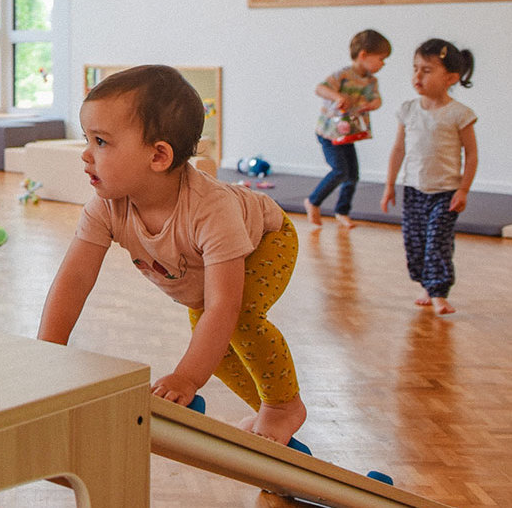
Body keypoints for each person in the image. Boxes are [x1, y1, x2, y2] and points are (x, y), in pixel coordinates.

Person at [38, 65, 306, 445]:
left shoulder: (211, 210)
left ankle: (283, 407)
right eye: (87, 139)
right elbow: (74, 281)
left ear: (159, 156)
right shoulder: (106, 207)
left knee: (238, 318)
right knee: (214, 342)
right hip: (207, 264)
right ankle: (268, 409)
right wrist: (46, 353)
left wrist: (186, 379)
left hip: (266, 239)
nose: (85, 154)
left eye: (101, 142)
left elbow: (223, 305)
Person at [381, 40, 477, 316]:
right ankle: (426, 285)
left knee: (437, 241)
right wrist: (389, 185)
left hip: (446, 192)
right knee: (415, 242)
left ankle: (438, 292)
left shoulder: (459, 114)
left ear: (450, 78)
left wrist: (463, 190)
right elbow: (398, 149)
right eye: (415, 69)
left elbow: (471, 154)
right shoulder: (408, 110)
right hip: (414, 189)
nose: (417, 76)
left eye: (426, 70)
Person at [303, 29, 390, 229]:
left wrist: (372, 105)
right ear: (363, 55)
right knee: (340, 170)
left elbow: (377, 100)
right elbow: (320, 88)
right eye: (381, 59)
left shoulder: (371, 81)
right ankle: (313, 201)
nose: (383, 64)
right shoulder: (342, 75)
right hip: (329, 133)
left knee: (352, 175)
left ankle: (342, 211)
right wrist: (338, 97)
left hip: (347, 134)